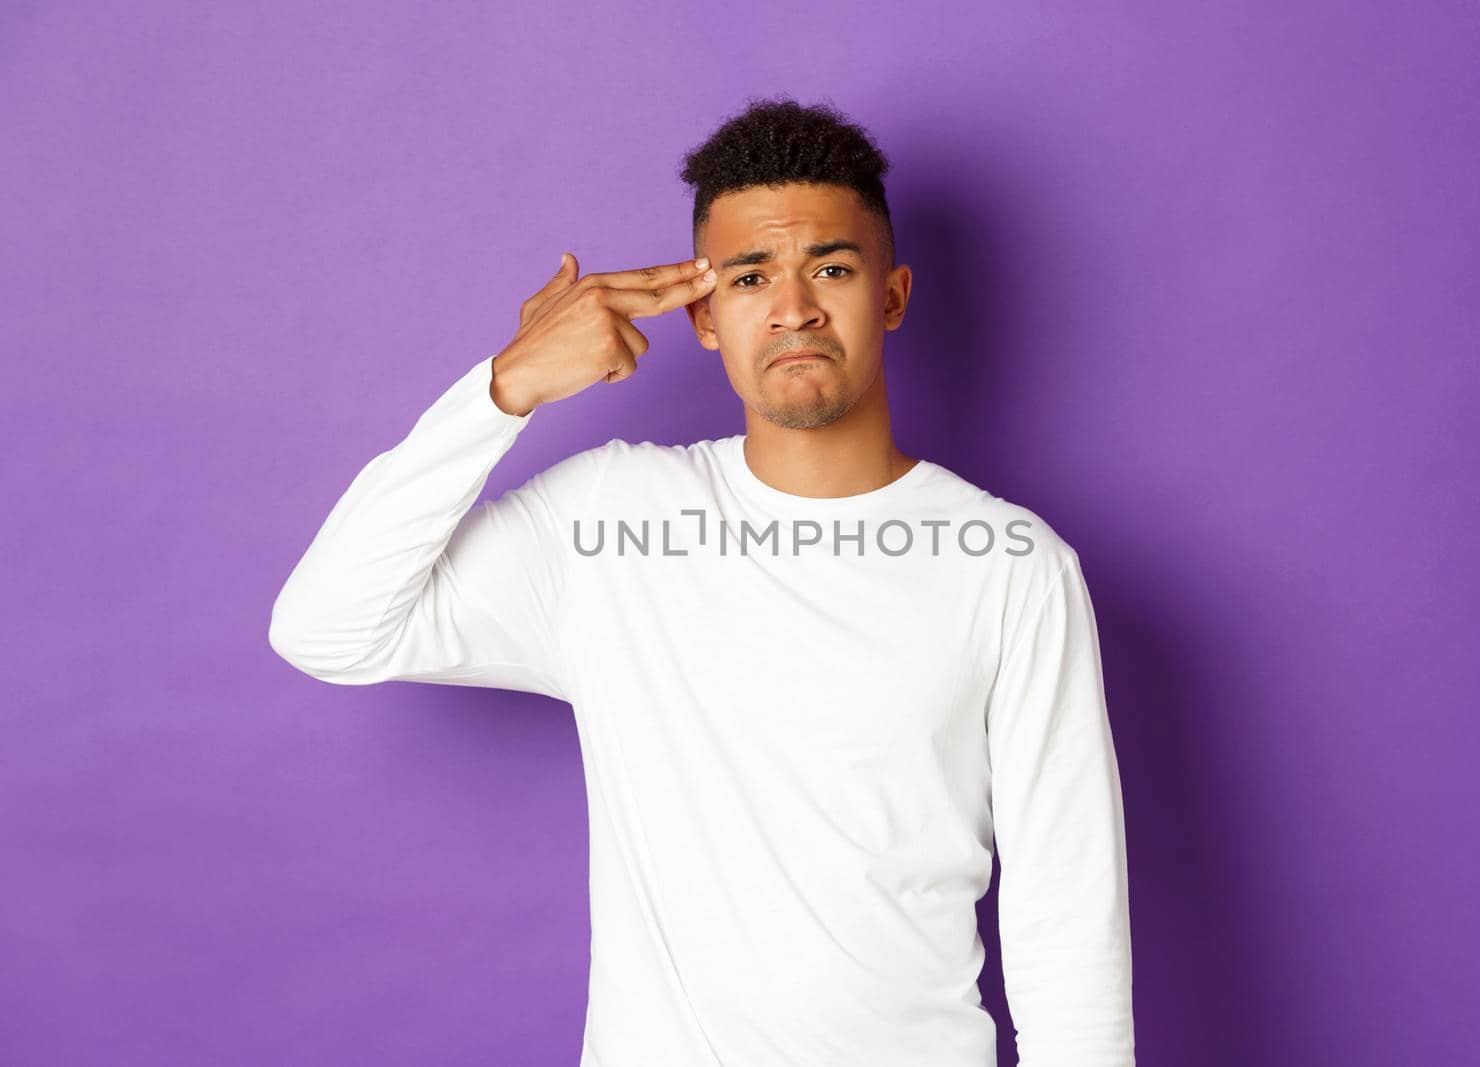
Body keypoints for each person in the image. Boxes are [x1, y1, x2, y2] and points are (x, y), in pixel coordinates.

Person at [269, 96, 1135, 1067]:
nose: (795, 305)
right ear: (704, 316)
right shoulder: (613, 523)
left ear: (890, 297)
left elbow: (1067, 919)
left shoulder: (1013, 568)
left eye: (833, 268)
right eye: (751, 274)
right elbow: (327, 626)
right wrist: (503, 388)